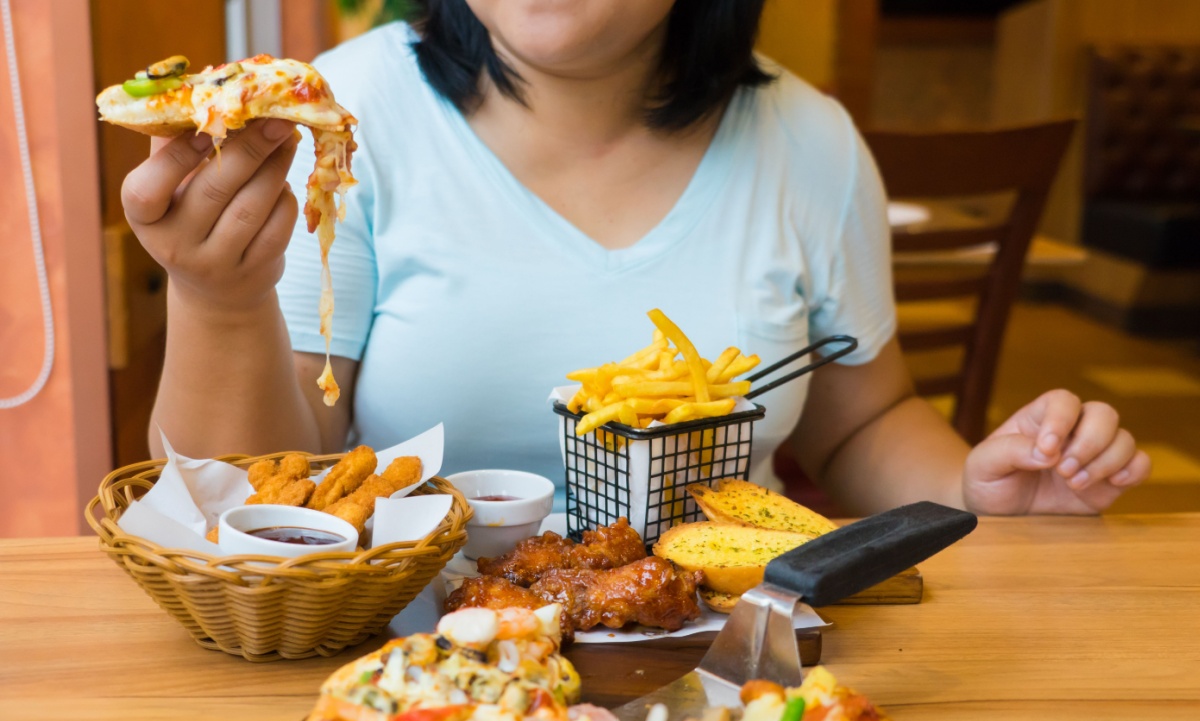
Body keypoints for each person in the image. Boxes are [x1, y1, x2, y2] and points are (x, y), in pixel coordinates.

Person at [125, 0, 1149, 516]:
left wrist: (977, 486)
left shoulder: (812, 141)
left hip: (739, 678)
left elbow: (862, 423)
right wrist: (218, 303)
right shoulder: (337, 121)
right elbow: (262, 502)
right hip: (407, 685)